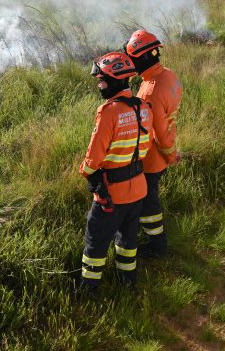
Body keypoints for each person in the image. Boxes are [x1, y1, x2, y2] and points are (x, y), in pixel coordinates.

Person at [79, 51, 153, 293]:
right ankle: (128, 282)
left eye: (102, 80)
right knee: (128, 241)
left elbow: (93, 158)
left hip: (111, 194)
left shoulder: (108, 112)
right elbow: (145, 146)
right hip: (138, 189)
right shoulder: (144, 107)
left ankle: (89, 289)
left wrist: (87, 172)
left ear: (115, 80)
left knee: (96, 241)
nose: (99, 85)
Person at [124, 30, 183, 257]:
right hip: (162, 153)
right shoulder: (169, 75)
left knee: (149, 204)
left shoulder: (150, 92)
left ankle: (157, 246)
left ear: (142, 58)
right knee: (149, 198)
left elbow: (159, 133)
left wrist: (171, 156)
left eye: (132, 60)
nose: (131, 65)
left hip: (152, 159)